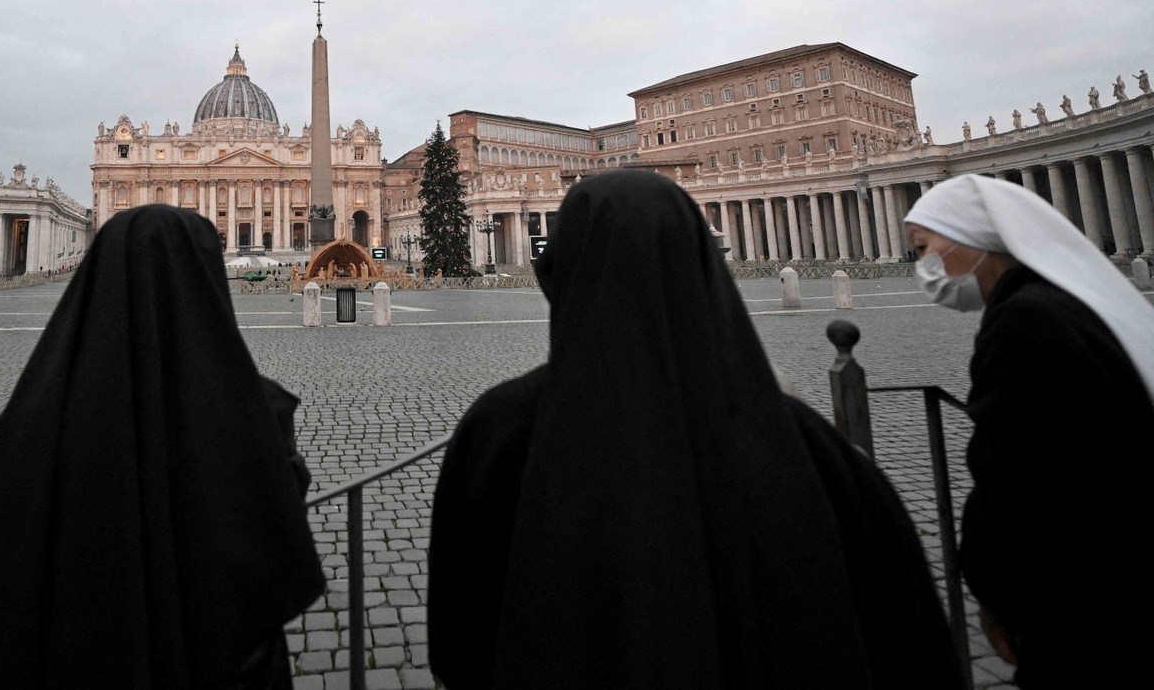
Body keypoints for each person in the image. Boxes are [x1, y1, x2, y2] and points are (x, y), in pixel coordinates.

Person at [429, 171, 960, 689]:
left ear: (559, 272)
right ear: (704, 263)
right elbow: (909, 641)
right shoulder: (812, 446)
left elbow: (459, 642)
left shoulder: (497, 432)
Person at [0, 205, 323, 689]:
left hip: (70, 656)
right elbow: (280, 520)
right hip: (223, 657)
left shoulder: (34, 411)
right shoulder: (252, 406)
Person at [903, 174, 1154, 687]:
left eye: (925, 249)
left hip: (1081, 605)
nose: (923, 268)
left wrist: (1004, 600)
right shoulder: (1063, 304)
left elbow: (1020, 483)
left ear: (973, 239)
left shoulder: (1025, 321)